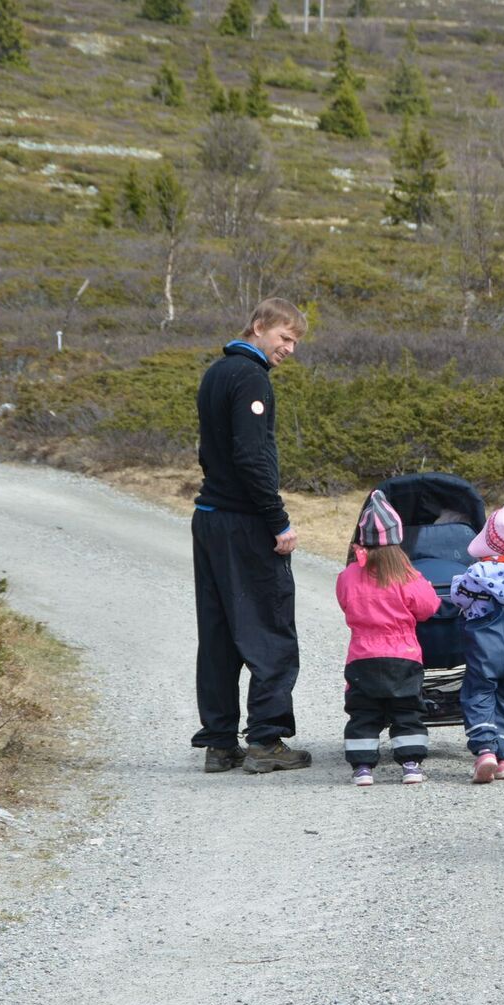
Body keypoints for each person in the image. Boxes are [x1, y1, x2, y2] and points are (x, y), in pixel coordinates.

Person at [191, 297, 310, 775]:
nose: (290, 349)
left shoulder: (216, 372)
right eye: (284, 338)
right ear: (259, 327)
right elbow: (251, 456)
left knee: (218, 632)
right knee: (268, 627)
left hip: (209, 519)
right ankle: (265, 740)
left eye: (295, 342)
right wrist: (277, 520)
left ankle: (220, 743)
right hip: (243, 523)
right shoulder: (251, 377)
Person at [336, 490, 441, 786]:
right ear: (398, 540)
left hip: (362, 657)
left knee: (363, 714)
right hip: (403, 656)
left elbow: (345, 603)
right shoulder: (408, 575)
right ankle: (411, 765)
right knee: (407, 711)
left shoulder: (348, 575)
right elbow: (428, 608)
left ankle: (362, 769)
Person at [450, 503, 504, 784]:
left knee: (479, 690)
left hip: (483, 643)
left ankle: (485, 749)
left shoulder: (477, 573)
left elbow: (459, 598)